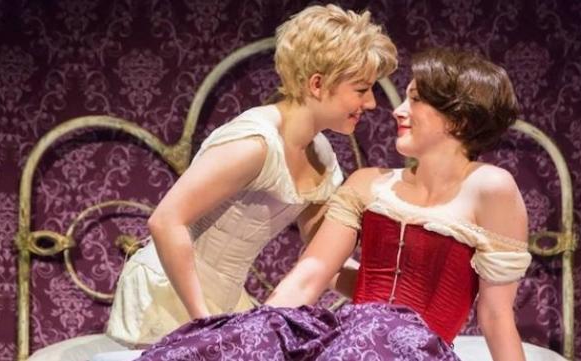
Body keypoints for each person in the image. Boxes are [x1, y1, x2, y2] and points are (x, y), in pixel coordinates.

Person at [135, 47, 532, 361]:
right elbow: (310, 275)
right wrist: (253, 336)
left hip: (415, 350)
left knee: (380, 331)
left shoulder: (491, 188)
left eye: (415, 100)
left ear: (458, 119)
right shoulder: (367, 184)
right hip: (354, 341)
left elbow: (496, 316)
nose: (396, 110)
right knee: (242, 339)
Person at [104, 4, 398, 348]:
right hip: (172, 293)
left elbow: (323, 261)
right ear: (317, 84)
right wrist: (206, 325)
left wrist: (390, 296)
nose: (372, 104)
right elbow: (166, 221)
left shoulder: (321, 155)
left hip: (224, 301)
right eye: (361, 89)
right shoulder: (254, 144)